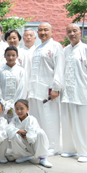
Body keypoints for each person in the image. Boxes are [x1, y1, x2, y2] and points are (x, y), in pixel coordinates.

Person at [61, 23, 87, 163]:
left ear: (80, 33)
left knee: (82, 123)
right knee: (67, 122)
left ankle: (85, 152)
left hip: (81, 92)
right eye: (69, 31)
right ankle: (70, 149)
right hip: (67, 93)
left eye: (75, 31)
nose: (72, 34)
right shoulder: (65, 50)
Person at [28, 22, 64, 155]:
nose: (42, 32)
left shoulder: (56, 46)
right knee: (38, 119)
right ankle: (40, 145)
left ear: (51, 31)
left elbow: (59, 68)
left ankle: (52, 147)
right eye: (40, 30)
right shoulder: (37, 48)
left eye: (45, 30)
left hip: (48, 91)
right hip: (35, 90)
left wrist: (56, 87)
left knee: (50, 119)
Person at [7, 99, 52, 168]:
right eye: (17, 109)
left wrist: (25, 134)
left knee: (40, 132)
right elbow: (9, 129)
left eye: (22, 109)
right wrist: (23, 132)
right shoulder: (15, 119)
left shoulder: (32, 119)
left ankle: (42, 158)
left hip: (34, 144)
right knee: (14, 135)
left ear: (27, 109)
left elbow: (32, 133)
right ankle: (25, 155)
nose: (19, 111)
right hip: (23, 143)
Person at [0, 47, 27, 122]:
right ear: (4, 56)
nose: (10, 57)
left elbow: (22, 89)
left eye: (13, 55)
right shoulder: (0, 71)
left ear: (17, 56)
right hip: (3, 106)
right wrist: (3, 104)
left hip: (17, 106)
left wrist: (14, 105)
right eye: (8, 55)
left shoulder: (21, 71)